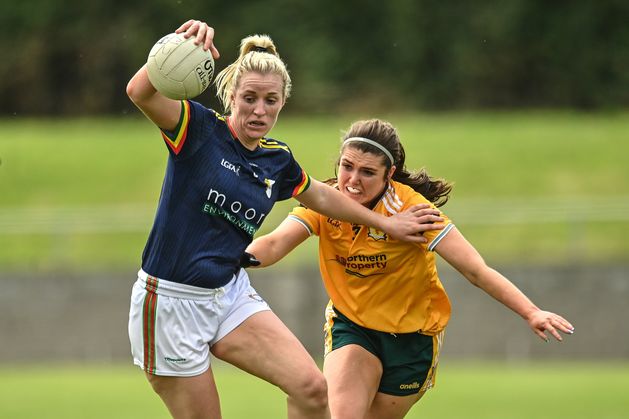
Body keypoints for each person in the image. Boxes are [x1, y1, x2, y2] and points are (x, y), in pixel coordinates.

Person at [125, 20, 445, 419]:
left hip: (227, 294)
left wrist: (388, 224)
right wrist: (179, 43)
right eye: (250, 98)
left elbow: (322, 196)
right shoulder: (198, 129)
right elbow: (139, 92)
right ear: (231, 95)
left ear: (282, 103)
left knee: (312, 390)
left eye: (271, 100)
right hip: (170, 302)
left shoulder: (276, 158)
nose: (260, 110)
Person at [245, 118, 576, 419]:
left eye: (367, 172)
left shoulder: (415, 212)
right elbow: (274, 245)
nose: (352, 181)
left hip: (413, 341)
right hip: (353, 326)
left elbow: (476, 270)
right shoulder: (326, 202)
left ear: (389, 174)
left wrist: (531, 312)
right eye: (347, 167)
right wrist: (227, 257)